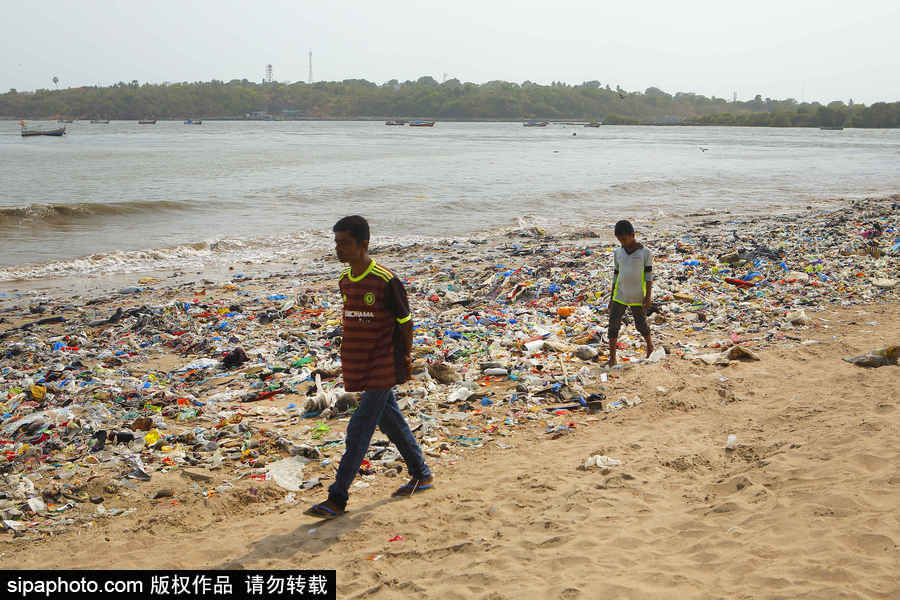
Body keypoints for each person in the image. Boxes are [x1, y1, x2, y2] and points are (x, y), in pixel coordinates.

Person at [305, 216, 433, 519]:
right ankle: (422, 473)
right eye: (336, 243)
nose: (338, 249)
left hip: (384, 361)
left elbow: (405, 321)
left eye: (345, 243)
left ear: (364, 244)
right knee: (389, 420)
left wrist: (406, 355)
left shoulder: (386, 280)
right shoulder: (345, 280)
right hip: (359, 360)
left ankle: (337, 497)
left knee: (359, 427)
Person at [606, 219, 654, 367]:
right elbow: (616, 274)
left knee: (640, 324)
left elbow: (648, 276)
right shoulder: (618, 252)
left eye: (624, 239)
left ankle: (650, 346)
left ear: (633, 235)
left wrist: (648, 297)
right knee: (613, 324)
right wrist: (612, 295)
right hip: (620, 294)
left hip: (637, 295)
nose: (622, 242)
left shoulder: (644, 253)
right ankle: (612, 357)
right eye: (619, 240)